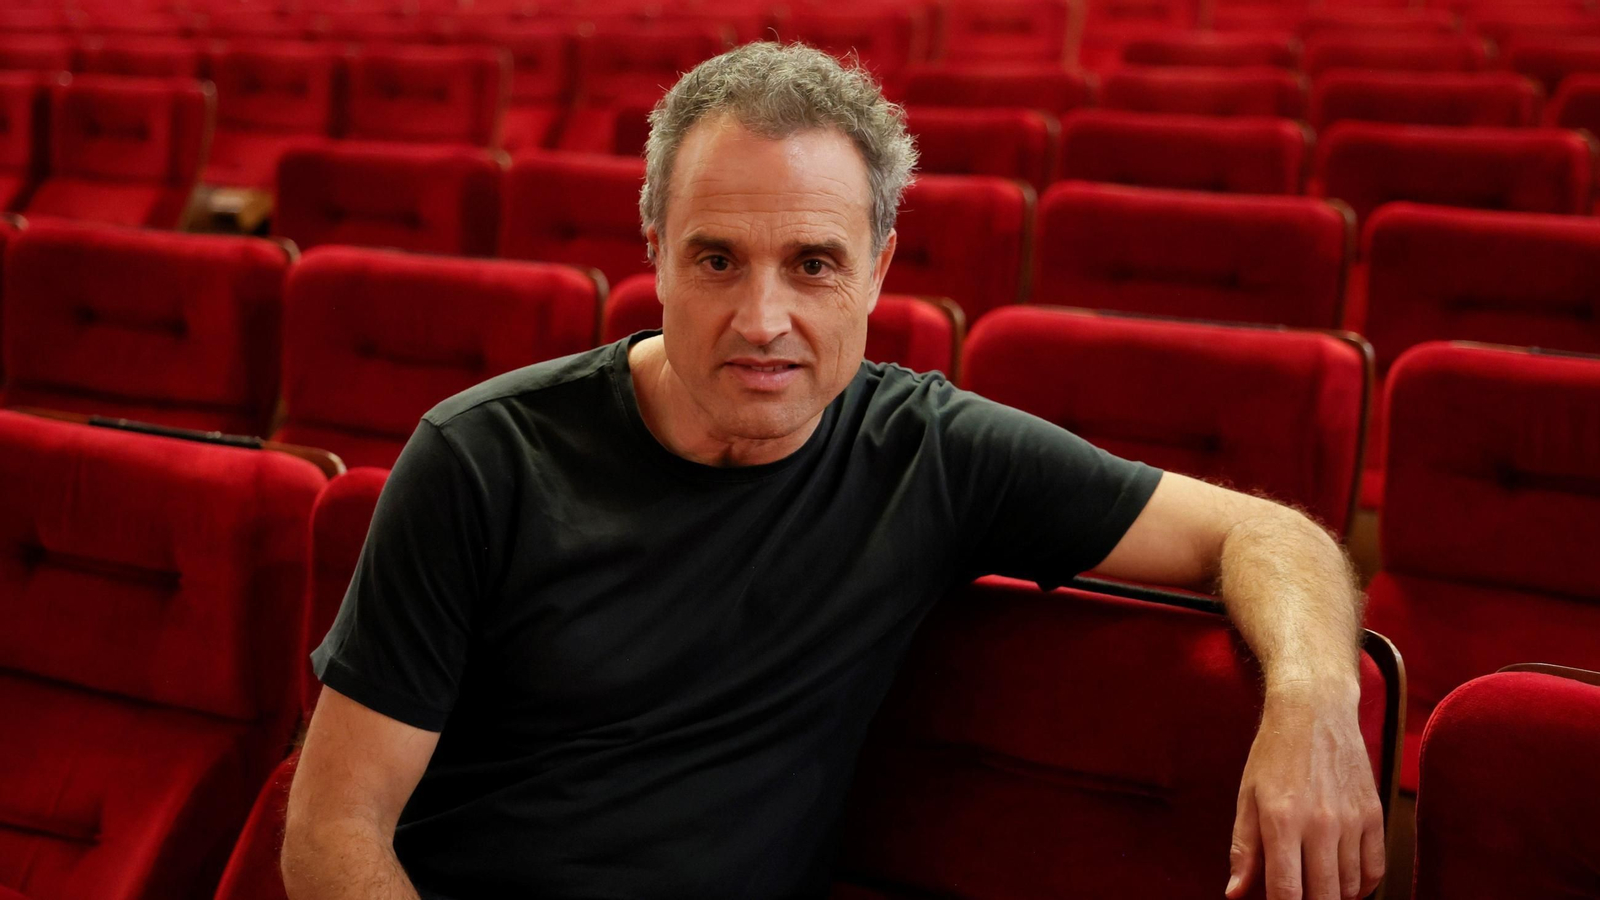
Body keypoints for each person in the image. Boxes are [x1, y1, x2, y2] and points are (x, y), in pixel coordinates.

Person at [282, 42, 1384, 900]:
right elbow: (335, 834)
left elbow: (1269, 534)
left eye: (813, 265)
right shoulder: (479, 457)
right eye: (717, 259)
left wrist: (1311, 702)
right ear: (653, 247)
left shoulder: (930, 453)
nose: (763, 321)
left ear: (879, 268)